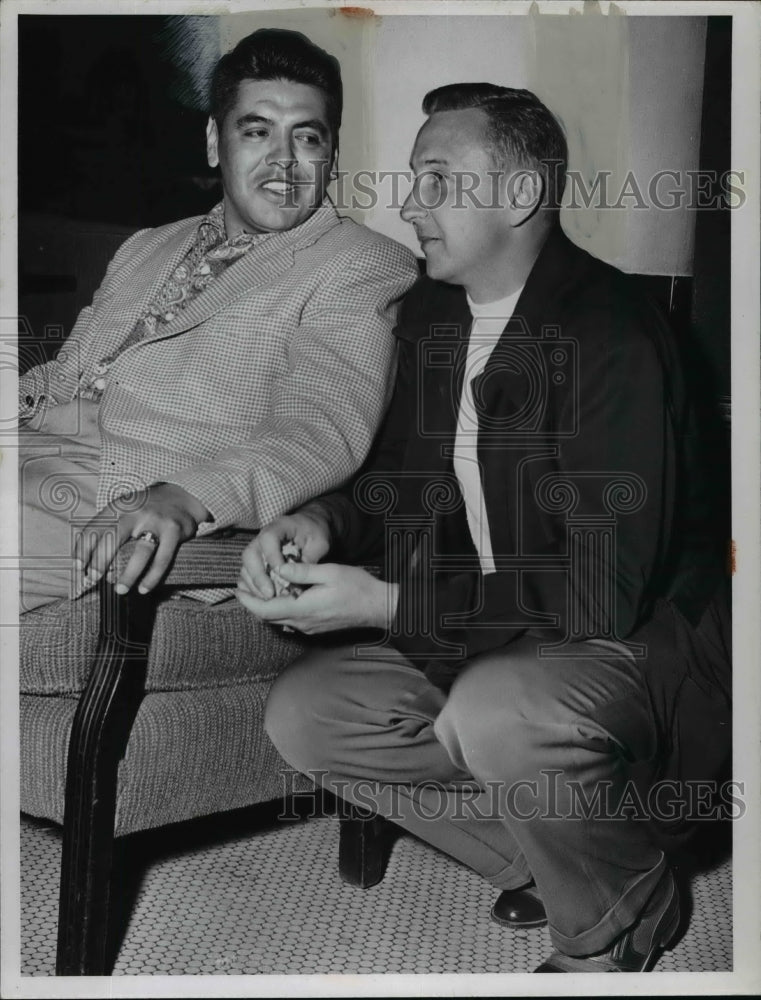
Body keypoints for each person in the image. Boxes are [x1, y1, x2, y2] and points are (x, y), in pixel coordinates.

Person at [237, 84, 732, 973]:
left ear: (520, 196)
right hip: (492, 629)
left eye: (436, 179)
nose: (407, 202)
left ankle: (616, 923)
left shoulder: (613, 332)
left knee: (494, 710)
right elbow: (397, 483)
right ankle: (580, 863)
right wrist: (314, 522)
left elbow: (599, 593)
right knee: (308, 714)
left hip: (639, 651)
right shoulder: (435, 316)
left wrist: (391, 603)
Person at [18, 28, 417, 612]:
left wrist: (186, 496)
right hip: (34, 445)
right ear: (214, 141)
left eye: (306, 137)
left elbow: (317, 430)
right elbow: (65, 375)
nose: (284, 161)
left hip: (125, 489)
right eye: (256, 132)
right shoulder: (147, 246)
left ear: (331, 155)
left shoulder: (362, 264)